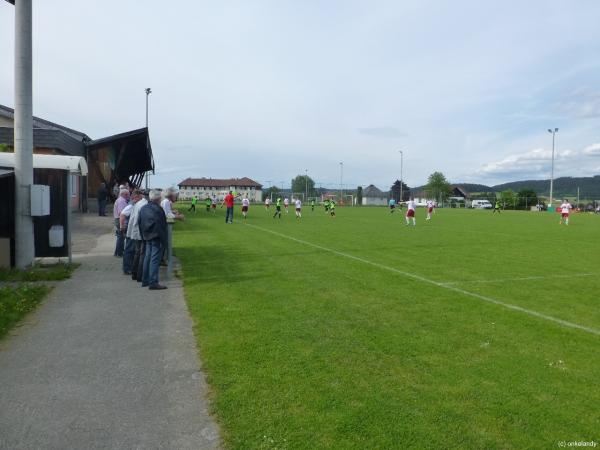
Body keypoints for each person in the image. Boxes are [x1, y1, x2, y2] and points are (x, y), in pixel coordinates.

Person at [138, 189, 168, 290]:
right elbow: (162, 225)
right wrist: (164, 241)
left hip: (147, 236)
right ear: (158, 198)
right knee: (154, 259)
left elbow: (140, 223)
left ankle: (145, 280)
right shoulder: (158, 209)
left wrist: (143, 236)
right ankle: (153, 282)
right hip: (156, 236)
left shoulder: (143, 208)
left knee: (148, 257)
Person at [128, 189, 148, 282]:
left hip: (136, 231)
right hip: (140, 232)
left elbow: (132, 219)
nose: (133, 199)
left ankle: (134, 273)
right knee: (141, 253)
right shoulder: (142, 204)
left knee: (137, 253)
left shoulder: (137, 204)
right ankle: (138, 275)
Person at [121, 189, 142, 275]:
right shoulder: (131, 205)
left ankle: (129, 267)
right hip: (130, 229)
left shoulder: (134, 204)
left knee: (131, 249)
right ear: (136, 197)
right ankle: (127, 268)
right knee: (129, 249)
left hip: (131, 229)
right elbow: (122, 215)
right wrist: (122, 227)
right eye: (140, 197)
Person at [113, 188, 130, 257]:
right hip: (120, 219)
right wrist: (122, 224)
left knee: (120, 237)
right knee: (121, 237)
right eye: (127, 194)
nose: (128, 196)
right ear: (124, 194)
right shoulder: (121, 201)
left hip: (118, 219)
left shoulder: (120, 200)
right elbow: (121, 212)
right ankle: (119, 253)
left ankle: (117, 252)